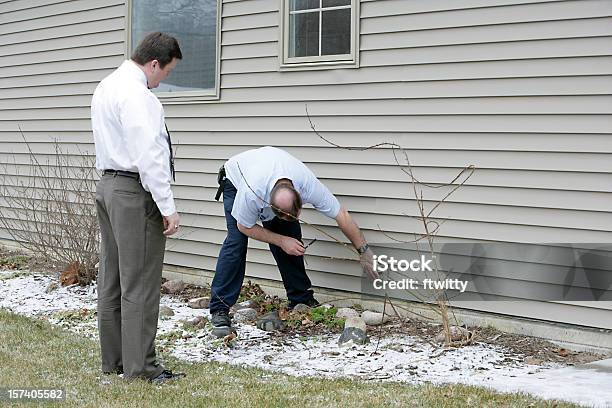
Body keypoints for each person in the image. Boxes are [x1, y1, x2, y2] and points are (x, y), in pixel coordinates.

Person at [91, 32, 184, 383]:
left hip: (108, 186)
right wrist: (167, 206)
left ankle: (115, 360)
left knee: (112, 278)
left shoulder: (106, 86)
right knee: (141, 282)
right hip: (133, 191)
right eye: (167, 71)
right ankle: (142, 368)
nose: (165, 79)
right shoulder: (139, 96)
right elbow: (150, 156)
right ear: (154, 63)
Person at [209, 146, 377, 336]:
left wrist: (364, 251)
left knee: (291, 235)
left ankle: (300, 299)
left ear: (300, 200)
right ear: (270, 205)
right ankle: (220, 308)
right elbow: (244, 226)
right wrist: (280, 241)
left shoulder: (307, 184)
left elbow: (342, 215)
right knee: (236, 243)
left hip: (267, 171)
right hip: (235, 179)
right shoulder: (251, 192)